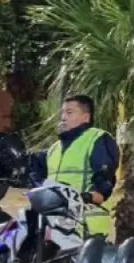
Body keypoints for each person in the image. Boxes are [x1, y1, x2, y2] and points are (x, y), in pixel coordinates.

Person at [29, 94, 119, 239]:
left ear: (86, 117)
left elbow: (105, 175)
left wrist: (97, 194)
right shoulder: (54, 148)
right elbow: (36, 173)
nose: (63, 117)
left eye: (69, 112)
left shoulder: (97, 139)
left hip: (86, 225)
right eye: (63, 112)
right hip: (56, 223)